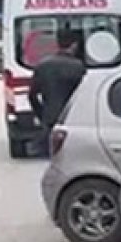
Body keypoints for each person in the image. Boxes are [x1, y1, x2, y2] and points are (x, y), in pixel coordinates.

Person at [27, 25, 87, 156]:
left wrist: (42, 113)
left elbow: (32, 95)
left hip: (50, 118)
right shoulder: (79, 67)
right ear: (75, 45)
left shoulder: (43, 65)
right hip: (72, 118)